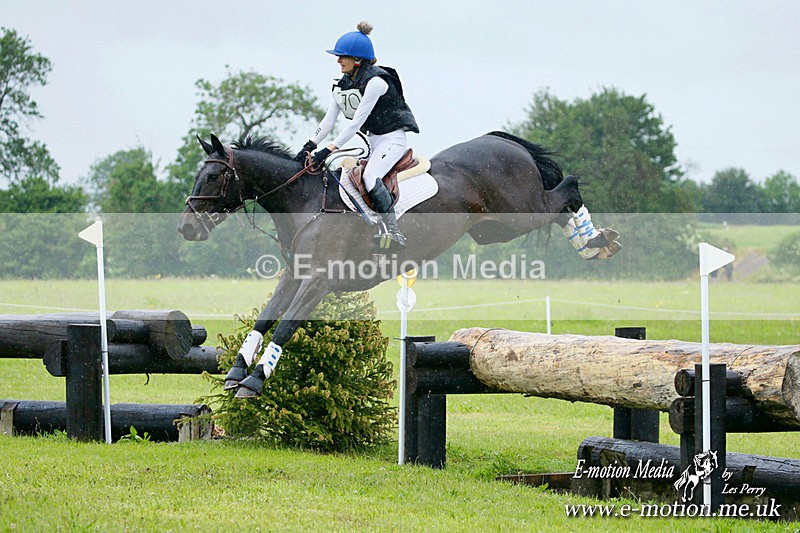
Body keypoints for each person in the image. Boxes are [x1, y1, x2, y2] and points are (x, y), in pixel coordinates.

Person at [294, 21, 419, 250]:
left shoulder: (376, 82)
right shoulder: (341, 85)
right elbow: (328, 121)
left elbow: (355, 123)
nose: (338, 61)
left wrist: (328, 149)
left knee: (370, 177)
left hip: (392, 140)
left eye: (342, 57)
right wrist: (310, 144)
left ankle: (393, 232)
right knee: (347, 176)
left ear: (357, 60)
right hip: (372, 141)